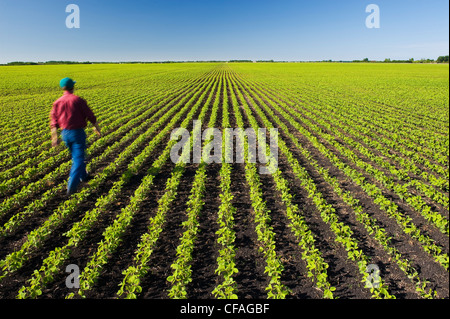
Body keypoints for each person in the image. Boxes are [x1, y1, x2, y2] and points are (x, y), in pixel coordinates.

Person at [50, 77, 101, 195]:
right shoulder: (77, 100)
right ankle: (71, 188)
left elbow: (54, 121)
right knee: (79, 159)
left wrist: (55, 138)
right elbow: (90, 116)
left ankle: (84, 177)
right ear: (73, 87)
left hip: (65, 134)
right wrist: (97, 128)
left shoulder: (57, 102)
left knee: (76, 155)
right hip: (77, 133)